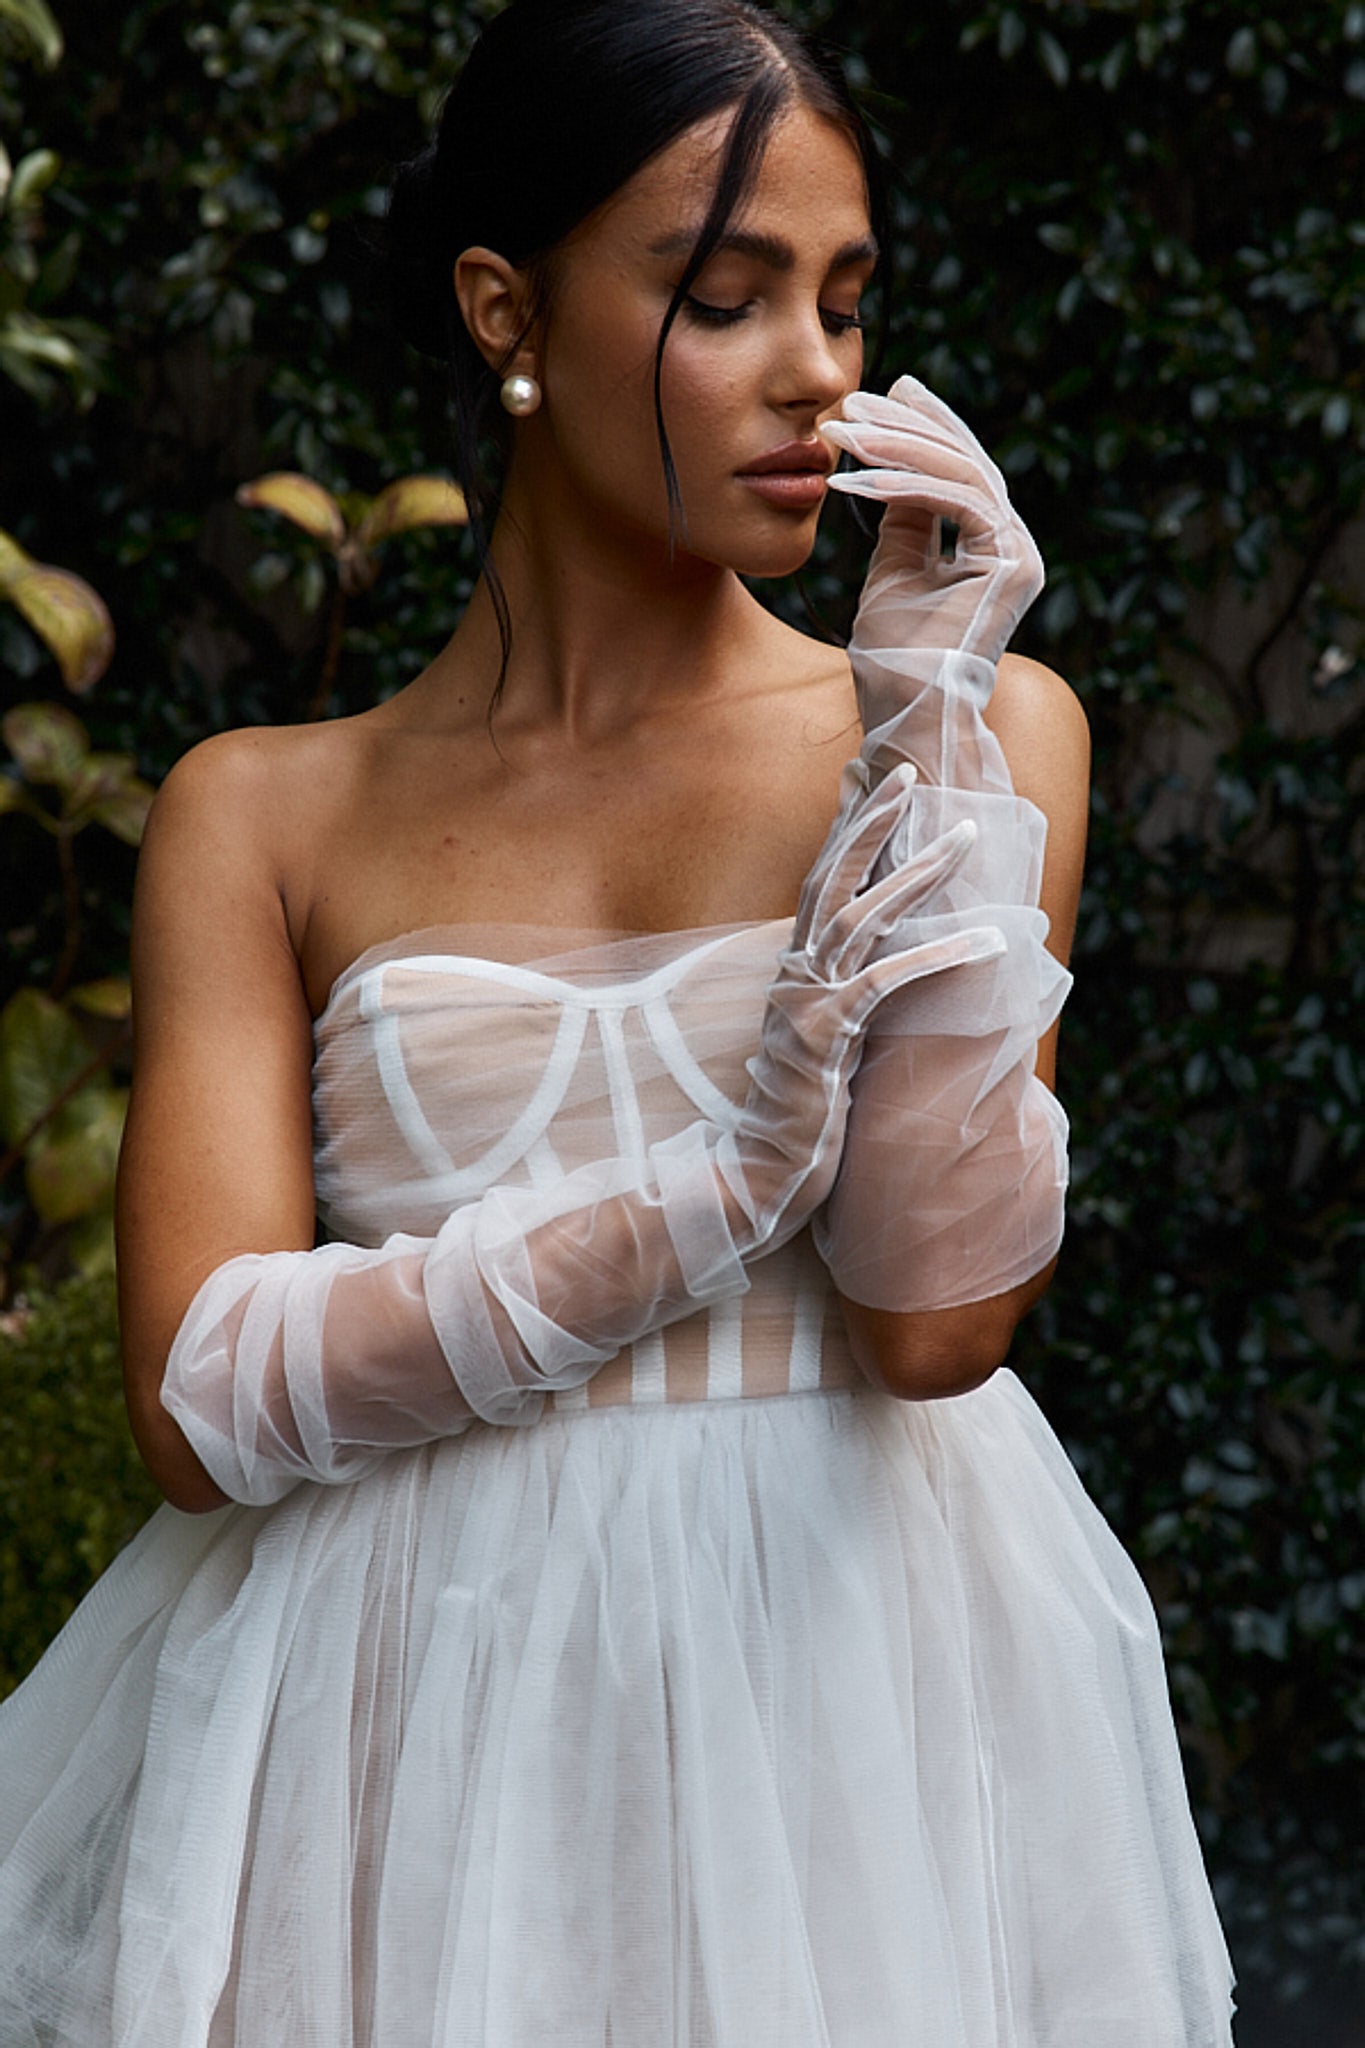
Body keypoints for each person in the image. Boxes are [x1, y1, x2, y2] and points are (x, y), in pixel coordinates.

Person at [0, 2, 1236, 2042]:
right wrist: (712, 1194)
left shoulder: (977, 722)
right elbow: (199, 1406)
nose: (817, 369)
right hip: (392, 1721)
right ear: (508, 309)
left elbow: (932, 1328)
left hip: (849, 1699)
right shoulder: (263, 809)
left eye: (844, 299)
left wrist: (922, 736)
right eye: (723, 297)